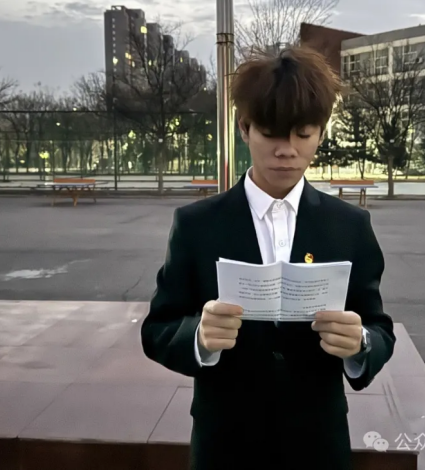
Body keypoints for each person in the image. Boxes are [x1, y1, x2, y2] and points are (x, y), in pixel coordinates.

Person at [141, 46, 395, 470]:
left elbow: (378, 327)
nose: (287, 150)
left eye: (303, 134)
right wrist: (198, 337)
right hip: (225, 444)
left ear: (320, 133)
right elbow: (157, 329)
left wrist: (360, 344)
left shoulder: (349, 226)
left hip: (318, 444)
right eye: (271, 133)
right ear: (245, 128)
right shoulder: (197, 225)